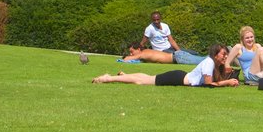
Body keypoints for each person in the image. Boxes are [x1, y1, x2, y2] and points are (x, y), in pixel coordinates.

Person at [92, 43, 239, 88]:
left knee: (146, 78)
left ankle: (124, 76)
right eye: (223, 54)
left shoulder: (214, 64)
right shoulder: (208, 62)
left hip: (180, 77)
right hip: (176, 78)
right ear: (215, 54)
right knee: (142, 81)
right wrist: (226, 82)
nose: (225, 57)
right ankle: (107, 78)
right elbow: (208, 85)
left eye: (226, 54)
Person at [121, 42, 205, 65]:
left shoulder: (142, 54)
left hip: (179, 58)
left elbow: (126, 59)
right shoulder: (145, 52)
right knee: (203, 59)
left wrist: (127, 57)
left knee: (204, 60)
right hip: (178, 56)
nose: (131, 54)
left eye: (132, 52)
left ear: (138, 49)